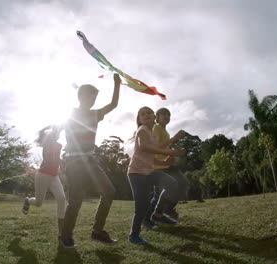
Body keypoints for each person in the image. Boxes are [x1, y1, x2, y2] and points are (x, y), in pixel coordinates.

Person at [60, 73, 121, 249]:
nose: (94, 100)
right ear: (81, 97)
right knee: (76, 200)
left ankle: (97, 231)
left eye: (95, 97)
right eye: (91, 96)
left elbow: (113, 104)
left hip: (91, 160)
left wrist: (117, 84)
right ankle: (65, 236)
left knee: (109, 191)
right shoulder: (69, 113)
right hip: (74, 162)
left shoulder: (96, 114)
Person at [127, 107, 186, 245]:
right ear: (139, 120)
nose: (146, 115)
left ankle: (158, 213)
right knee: (142, 205)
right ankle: (133, 235)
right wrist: (171, 153)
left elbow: (151, 158)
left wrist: (164, 161)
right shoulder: (142, 130)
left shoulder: (153, 135)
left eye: (149, 112)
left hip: (148, 171)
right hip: (136, 173)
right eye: (142, 114)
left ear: (154, 116)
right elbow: (143, 148)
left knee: (171, 183)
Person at [143, 107, 188, 230]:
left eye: (168, 115)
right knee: (160, 194)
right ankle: (150, 218)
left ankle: (162, 211)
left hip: (166, 165)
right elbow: (156, 147)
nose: (166, 116)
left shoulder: (165, 131)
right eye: (163, 114)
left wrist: (174, 153)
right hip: (157, 166)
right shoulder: (156, 128)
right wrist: (175, 138)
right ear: (157, 118)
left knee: (182, 183)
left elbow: (164, 149)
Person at [22, 125, 67, 238]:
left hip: (54, 176)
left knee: (62, 199)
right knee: (38, 203)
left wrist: (61, 163)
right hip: (42, 175)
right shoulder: (46, 144)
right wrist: (53, 126)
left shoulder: (58, 145)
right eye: (56, 134)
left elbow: (57, 156)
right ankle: (28, 200)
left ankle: (61, 232)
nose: (58, 136)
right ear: (51, 135)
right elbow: (50, 155)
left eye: (59, 134)